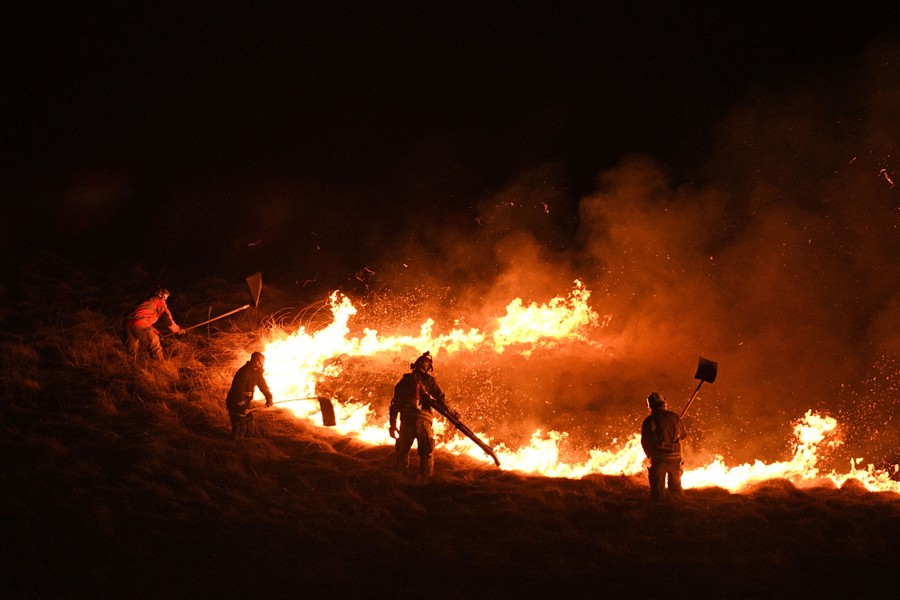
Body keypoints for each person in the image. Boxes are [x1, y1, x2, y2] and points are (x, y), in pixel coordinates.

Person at [389, 351, 451, 480]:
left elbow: (394, 405)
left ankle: (400, 480)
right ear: (428, 367)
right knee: (426, 453)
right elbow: (441, 399)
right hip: (423, 421)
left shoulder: (403, 382)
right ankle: (425, 482)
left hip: (406, 421)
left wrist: (393, 425)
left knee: (402, 453)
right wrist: (453, 413)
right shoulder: (429, 381)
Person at [640, 391, 687, 502]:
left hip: (659, 459)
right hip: (676, 458)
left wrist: (649, 455)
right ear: (664, 403)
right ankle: (680, 509)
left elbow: (645, 442)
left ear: (650, 407)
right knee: (676, 488)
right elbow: (683, 435)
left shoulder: (649, 420)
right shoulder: (675, 417)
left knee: (657, 491)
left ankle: (659, 512)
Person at [123, 287, 184, 361]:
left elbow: (140, 317)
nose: (165, 299)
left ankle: (129, 368)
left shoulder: (146, 300)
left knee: (130, 352)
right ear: (162, 295)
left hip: (128, 325)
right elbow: (167, 319)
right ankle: (160, 366)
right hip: (139, 325)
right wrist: (177, 329)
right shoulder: (159, 301)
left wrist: (155, 331)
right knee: (155, 342)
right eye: (165, 297)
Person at [225, 352, 274, 440]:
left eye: (260, 362)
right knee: (239, 430)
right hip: (235, 404)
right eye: (256, 361)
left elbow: (263, 385)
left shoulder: (256, 373)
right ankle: (234, 445)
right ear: (253, 361)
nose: (258, 364)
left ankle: (246, 441)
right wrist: (243, 407)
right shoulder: (244, 373)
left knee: (250, 429)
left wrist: (269, 397)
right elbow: (237, 393)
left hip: (244, 405)